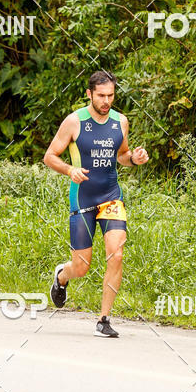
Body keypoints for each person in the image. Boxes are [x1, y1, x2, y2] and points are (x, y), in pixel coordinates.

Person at [43, 70, 149, 337]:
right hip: (83, 198)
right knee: (81, 266)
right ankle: (62, 276)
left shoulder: (120, 121)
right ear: (89, 94)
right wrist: (70, 170)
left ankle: (104, 320)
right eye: (101, 95)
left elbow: (122, 155)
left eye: (110, 95)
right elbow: (49, 156)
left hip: (111, 196)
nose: (106, 101)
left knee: (117, 254)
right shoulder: (74, 121)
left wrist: (134, 159)